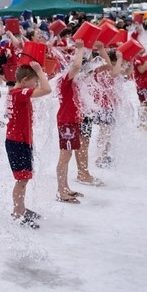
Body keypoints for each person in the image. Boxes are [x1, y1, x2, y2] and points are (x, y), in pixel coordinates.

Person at [5, 61, 52, 228]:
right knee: (22, 179)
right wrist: (40, 71)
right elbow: (47, 90)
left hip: (19, 140)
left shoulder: (15, 92)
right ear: (25, 81)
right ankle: (18, 212)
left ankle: (21, 208)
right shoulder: (20, 92)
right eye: (35, 81)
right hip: (17, 142)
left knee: (24, 178)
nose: (37, 84)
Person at [55, 41, 97, 204]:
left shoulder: (74, 80)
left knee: (68, 154)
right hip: (66, 121)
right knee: (64, 156)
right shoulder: (66, 78)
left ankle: (65, 188)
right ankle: (61, 191)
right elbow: (77, 66)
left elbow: (84, 67)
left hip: (71, 121)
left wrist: (88, 51)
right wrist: (80, 49)